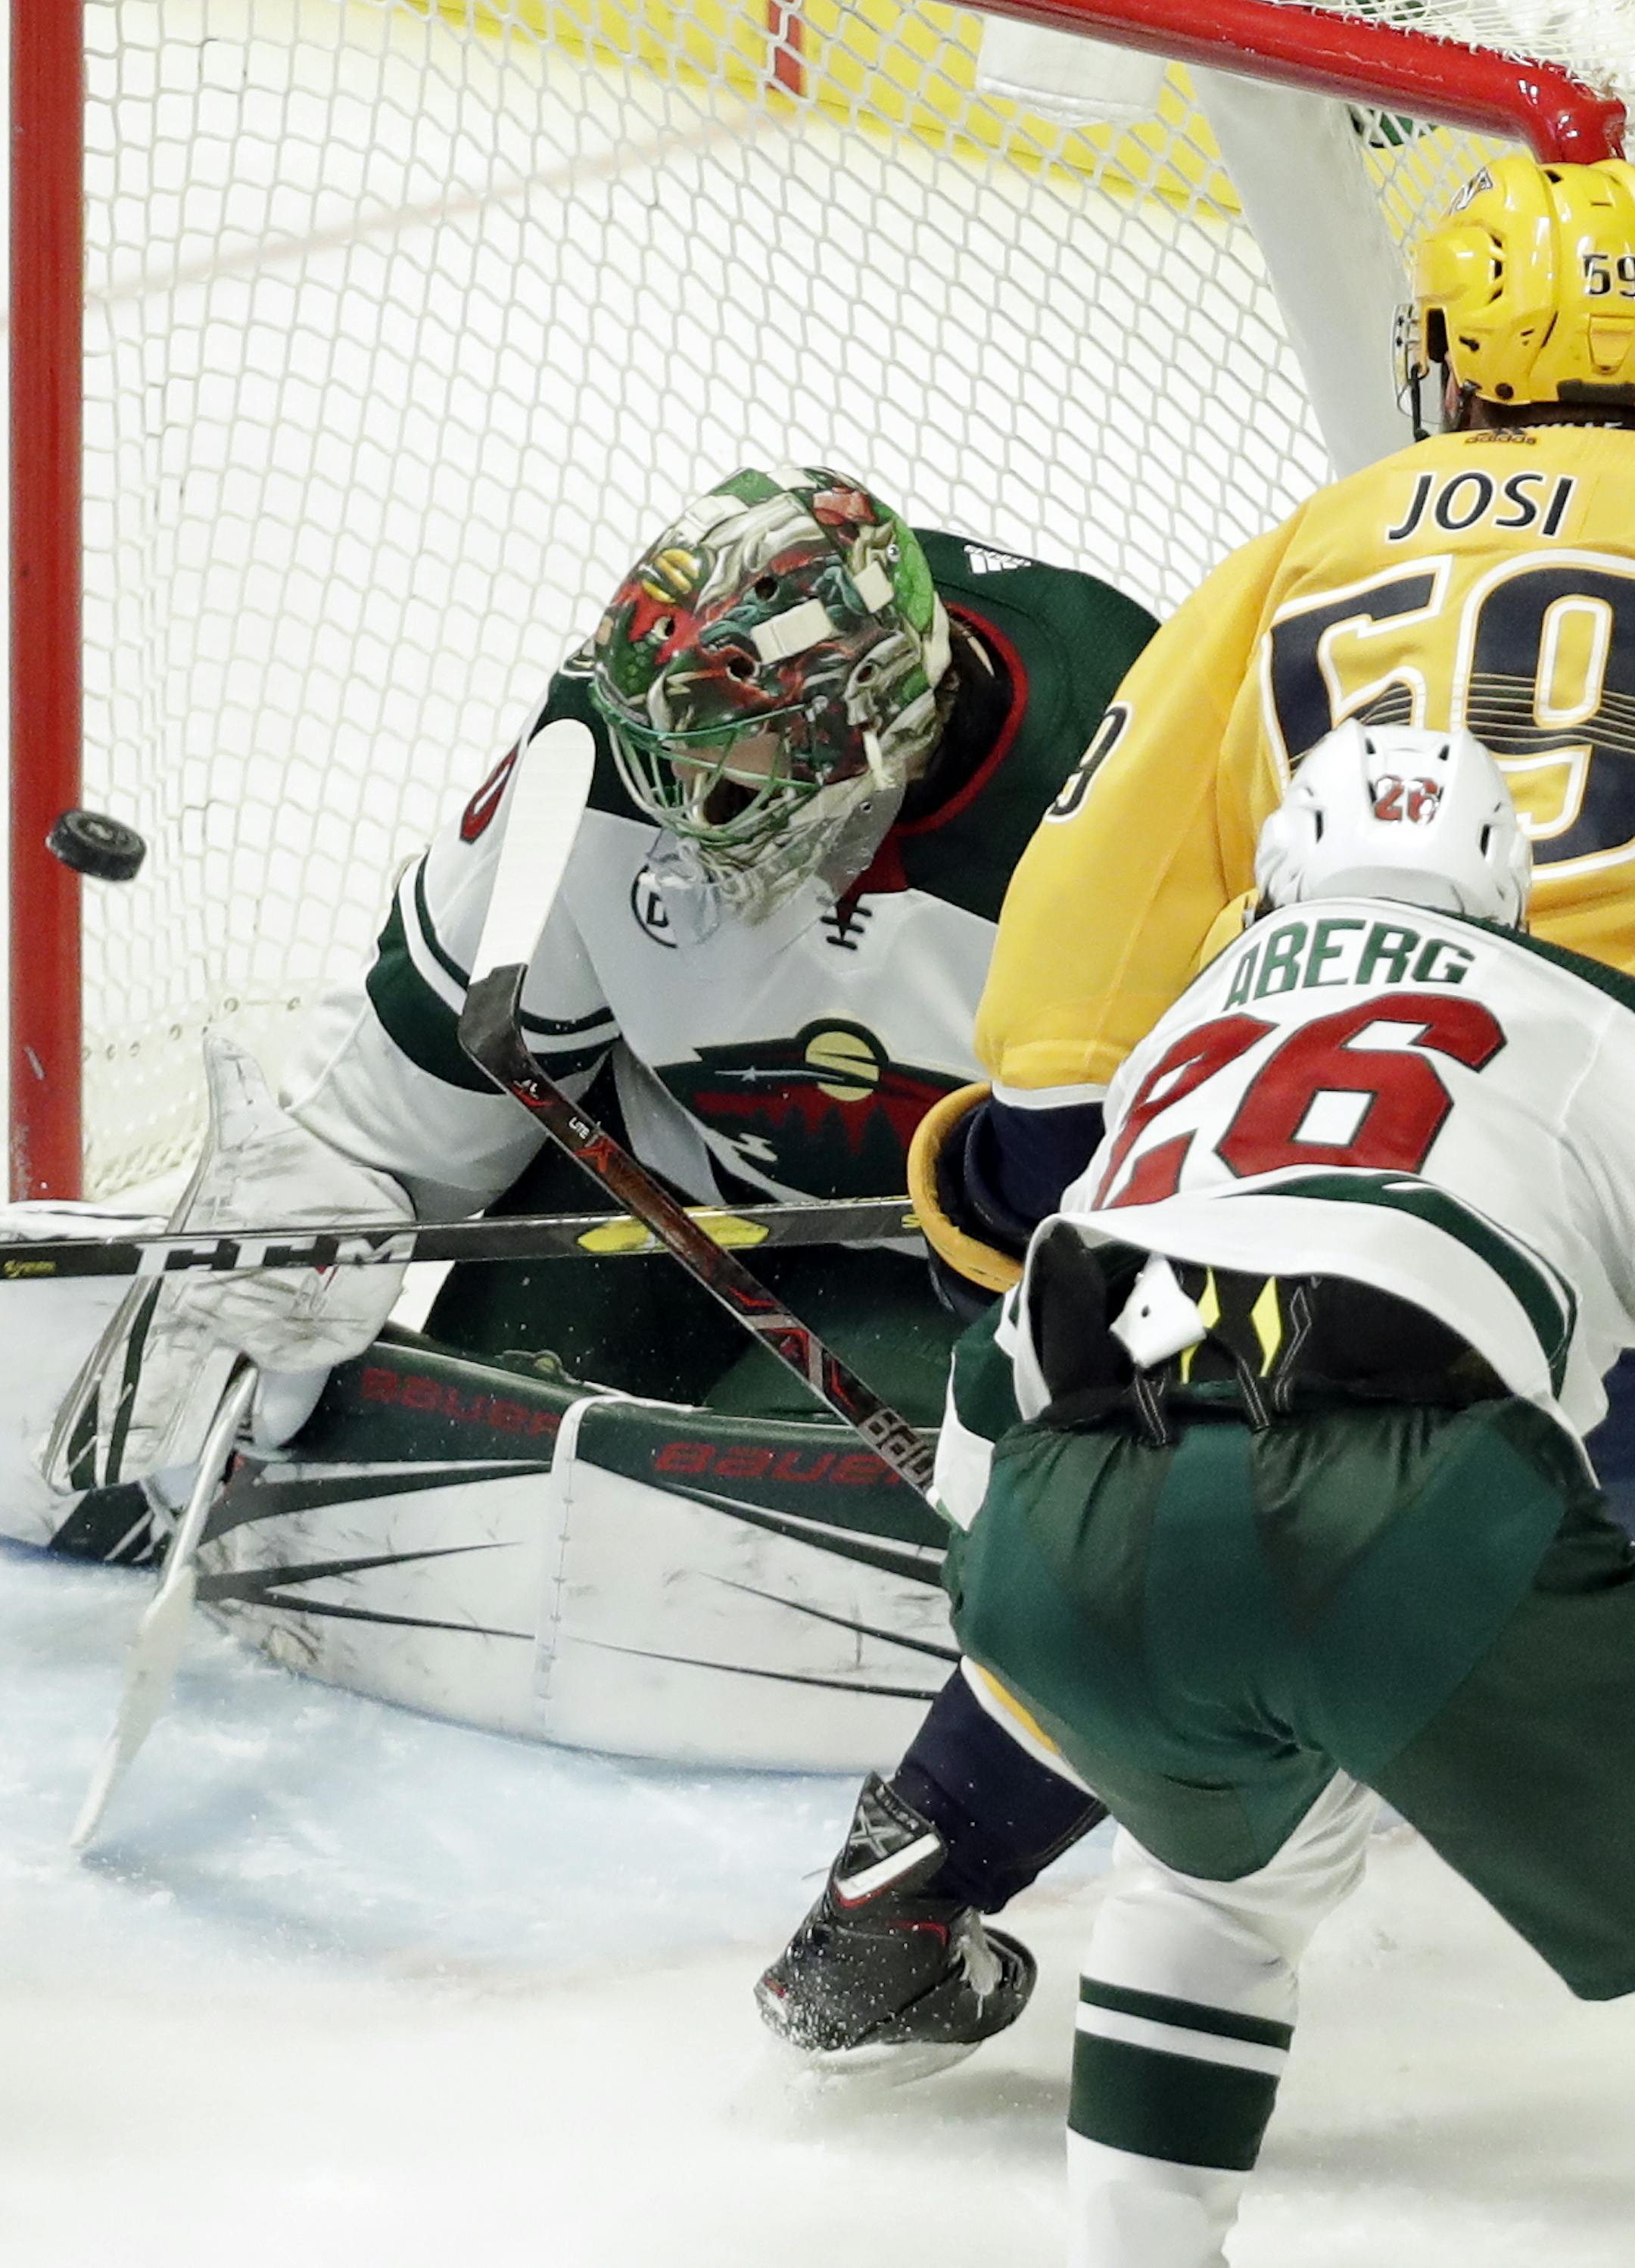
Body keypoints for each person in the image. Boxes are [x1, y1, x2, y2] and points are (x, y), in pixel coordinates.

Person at [2, 463, 1153, 2041]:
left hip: (974, 1274)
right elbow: (398, 1114)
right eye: (663, 762)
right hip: (656, 1200)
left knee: (834, 1522)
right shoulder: (610, 752)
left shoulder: (1129, 791)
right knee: (511, 1405)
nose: (681, 811)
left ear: (878, 738)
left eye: (737, 782)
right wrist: (304, 1220)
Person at [755, 153, 1635, 2073]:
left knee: (1169, 1434)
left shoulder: (1312, 547)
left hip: (1289, 1140)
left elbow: (1076, 988)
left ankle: (898, 1905)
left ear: (1448, 361)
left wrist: (1018, 1191)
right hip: (1589, 1149)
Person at [932, 719, 1635, 2268]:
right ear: (1507, 891)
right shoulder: (1587, 1017)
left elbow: (990, 1396)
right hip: (1403, 1496)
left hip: (1066, 1522)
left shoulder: (1181, 1036)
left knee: (1217, 1887)